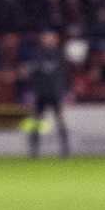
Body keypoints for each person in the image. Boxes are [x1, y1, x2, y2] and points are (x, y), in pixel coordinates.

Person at [23, 30, 70, 158]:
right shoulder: (37, 55)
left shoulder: (59, 55)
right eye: (47, 38)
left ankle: (65, 149)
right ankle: (34, 149)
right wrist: (32, 89)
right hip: (41, 93)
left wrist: (65, 90)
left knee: (59, 121)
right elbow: (30, 73)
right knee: (36, 121)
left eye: (51, 38)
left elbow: (64, 75)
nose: (49, 40)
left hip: (54, 93)